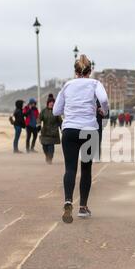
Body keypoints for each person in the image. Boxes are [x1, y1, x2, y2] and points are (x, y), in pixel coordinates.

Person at [53, 54, 109, 224]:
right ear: (90, 70)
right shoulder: (95, 84)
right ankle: (83, 208)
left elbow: (56, 111)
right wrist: (103, 111)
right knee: (86, 169)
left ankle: (68, 201)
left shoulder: (67, 85)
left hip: (69, 130)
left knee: (70, 169)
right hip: (89, 130)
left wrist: (69, 110)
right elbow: (104, 99)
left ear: (75, 71)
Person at [39, 95, 62, 164]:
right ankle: (47, 156)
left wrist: (62, 128)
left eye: (53, 102)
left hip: (53, 133)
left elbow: (60, 121)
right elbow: (39, 118)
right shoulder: (43, 111)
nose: (52, 103)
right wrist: (38, 125)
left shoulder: (56, 112)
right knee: (44, 147)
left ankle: (50, 159)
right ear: (48, 103)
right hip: (45, 132)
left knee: (51, 148)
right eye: (50, 102)